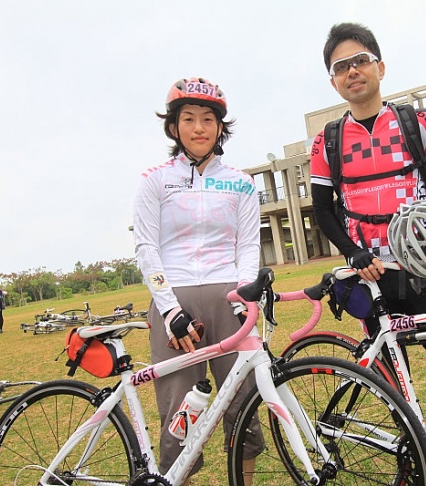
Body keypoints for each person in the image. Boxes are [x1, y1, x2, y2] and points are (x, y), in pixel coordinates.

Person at [310, 23, 426, 486]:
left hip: (423, 277)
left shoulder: (414, 122)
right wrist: (353, 255)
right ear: (333, 81)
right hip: (371, 281)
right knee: (396, 389)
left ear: (379, 67)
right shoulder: (327, 141)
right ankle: (415, 468)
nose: (353, 71)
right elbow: (322, 210)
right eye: (340, 67)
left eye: (361, 61)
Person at [132, 77, 263, 485]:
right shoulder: (154, 179)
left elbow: (249, 246)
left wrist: (245, 297)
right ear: (174, 127)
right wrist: (169, 308)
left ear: (221, 127)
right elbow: (146, 247)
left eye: (208, 119)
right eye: (188, 118)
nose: (199, 127)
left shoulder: (241, 182)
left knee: (242, 403)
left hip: (230, 299)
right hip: (175, 300)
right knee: (179, 411)